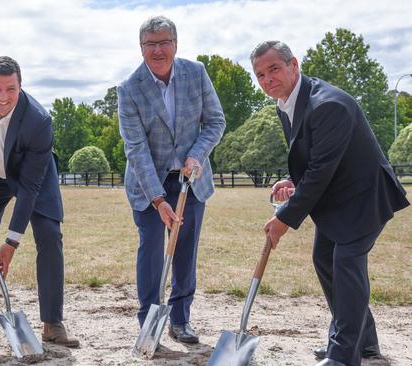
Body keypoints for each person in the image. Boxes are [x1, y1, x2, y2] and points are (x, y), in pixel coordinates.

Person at [251, 41, 409, 366]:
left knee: (346, 263)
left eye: (274, 69)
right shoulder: (290, 103)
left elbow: (322, 171)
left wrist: (283, 219)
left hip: (365, 197)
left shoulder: (328, 104)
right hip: (338, 198)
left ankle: (342, 356)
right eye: (260, 74)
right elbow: (321, 158)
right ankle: (365, 345)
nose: (267, 79)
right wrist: (294, 182)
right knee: (324, 257)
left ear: (293, 65)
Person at [0, 56, 79, 348]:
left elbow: (31, 188)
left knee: (49, 235)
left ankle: (52, 324)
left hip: (32, 177)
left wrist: (11, 243)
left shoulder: (38, 120)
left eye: (11, 89)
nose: (3, 97)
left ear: (21, 87)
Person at [117, 16, 226, 344]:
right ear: (141, 49)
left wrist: (197, 154)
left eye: (164, 42)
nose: (158, 49)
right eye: (150, 44)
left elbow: (215, 121)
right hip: (148, 183)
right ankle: (148, 321)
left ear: (175, 45)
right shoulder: (129, 89)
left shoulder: (197, 73)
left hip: (190, 180)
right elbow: (136, 150)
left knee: (184, 252)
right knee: (152, 248)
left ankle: (180, 319)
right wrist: (158, 200)